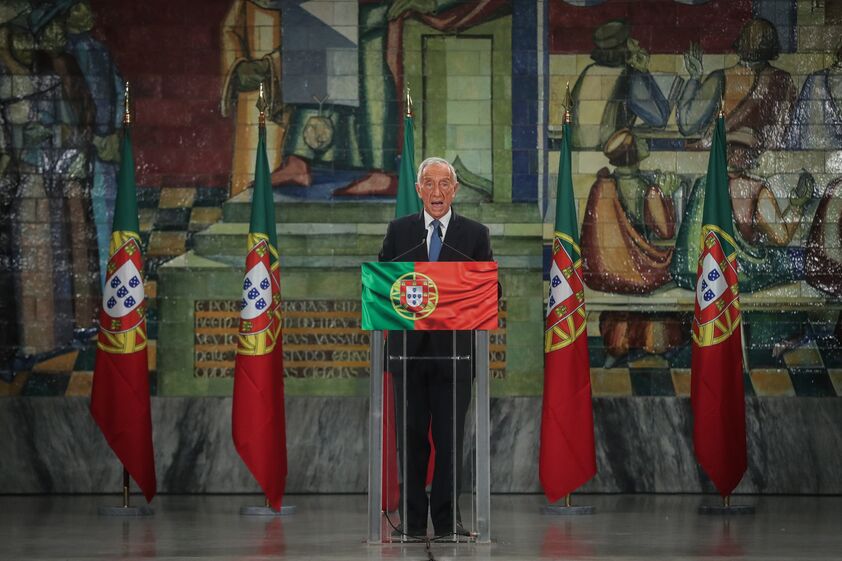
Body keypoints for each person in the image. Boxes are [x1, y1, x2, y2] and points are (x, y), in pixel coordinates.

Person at [377, 157, 493, 538]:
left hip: (454, 356)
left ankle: (445, 523)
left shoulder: (475, 235)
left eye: (445, 184)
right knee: (410, 443)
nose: (437, 191)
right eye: (429, 183)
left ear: (455, 190)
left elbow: (490, 290)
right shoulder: (400, 232)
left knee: (449, 443)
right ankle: (411, 522)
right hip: (408, 356)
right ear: (418, 190)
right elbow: (382, 285)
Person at [677, 18, 796, 150]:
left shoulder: (721, 77)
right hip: (757, 156)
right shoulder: (783, 79)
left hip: (721, 155)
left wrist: (694, 78)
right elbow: (778, 136)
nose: (755, 41)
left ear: (740, 42)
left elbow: (687, 125)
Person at [570, 19, 672, 150]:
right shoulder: (629, 76)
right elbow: (659, 119)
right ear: (623, 47)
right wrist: (643, 72)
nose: (636, 42)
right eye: (630, 40)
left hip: (580, 152)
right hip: (612, 152)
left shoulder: (588, 71)